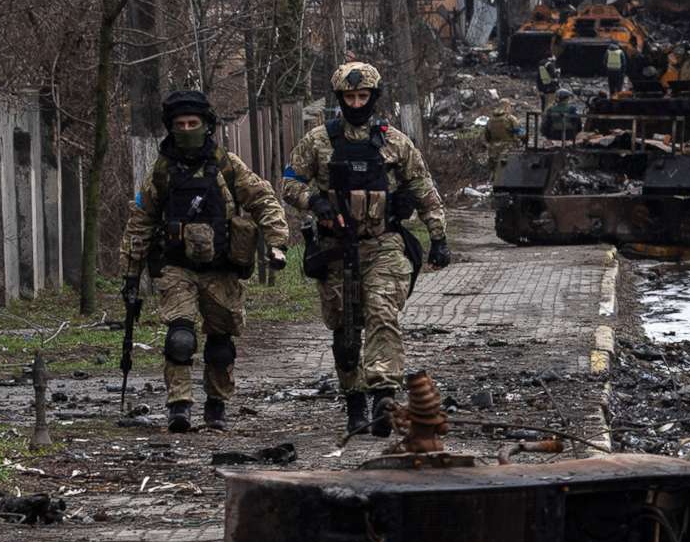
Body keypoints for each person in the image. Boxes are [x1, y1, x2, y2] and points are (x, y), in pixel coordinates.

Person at [281, 62, 454, 439]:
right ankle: (355, 401)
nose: (356, 103)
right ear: (339, 99)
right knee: (345, 332)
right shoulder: (318, 141)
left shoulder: (394, 142)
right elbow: (288, 183)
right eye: (349, 97)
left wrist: (438, 236)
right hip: (335, 248)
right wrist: (314, 202)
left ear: (373, 98)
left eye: (363, 97)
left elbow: (424, 187)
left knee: (381, 312)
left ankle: (383, 397)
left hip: (384, 244)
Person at [118, 89, 288, 434]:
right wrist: (131, 273)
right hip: (177, 267)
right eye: (179, 124)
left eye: (192, 123)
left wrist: (277, 242)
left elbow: (263, 199)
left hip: (221, 269)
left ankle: (216, 405)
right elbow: (141, 221)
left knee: (221, 346)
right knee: (179, 338)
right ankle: (179, 406)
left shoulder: (227, 165)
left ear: (206, 124)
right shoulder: (162, 170)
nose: (186, 129)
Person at [483, 106, 521, 183]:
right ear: (507, 107)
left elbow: (486, 136)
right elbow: (519, 131)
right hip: (508, 148)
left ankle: (492, 182)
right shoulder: (510, 118)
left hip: (493, 150)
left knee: (494, 171)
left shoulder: (490, 120)